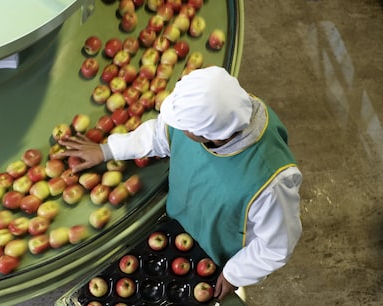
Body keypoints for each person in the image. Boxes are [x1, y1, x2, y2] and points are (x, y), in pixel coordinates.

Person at [54, 66, 303, 301]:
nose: (177, 127)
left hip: (217, 251)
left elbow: (277, 244)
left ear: (210, 135)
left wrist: (235, 273)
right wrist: (107, 150)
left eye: (185, 127)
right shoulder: (225, 111)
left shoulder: (270, 181)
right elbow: (158, 134)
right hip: (178, 224)